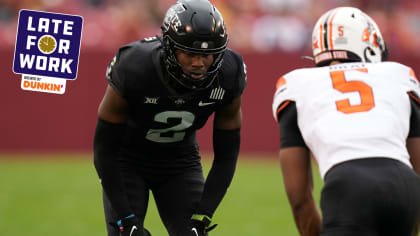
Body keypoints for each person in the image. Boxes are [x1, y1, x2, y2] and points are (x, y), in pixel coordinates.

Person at [93, 0, 247, 235]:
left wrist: (203, 216)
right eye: (190, 53)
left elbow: (227, 155)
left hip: (180, 160)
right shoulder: (134, 66)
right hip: (127, 160)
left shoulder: (229, 72)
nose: (199, 63)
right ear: (169, 46)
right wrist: (125, 217)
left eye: (208, 55)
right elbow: (104, 150)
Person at [272, 7, 420, 236]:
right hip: (405, 184)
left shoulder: (296, 85)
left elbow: (299, 197)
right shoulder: (399, 75)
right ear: (369, 45)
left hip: (348, 184)